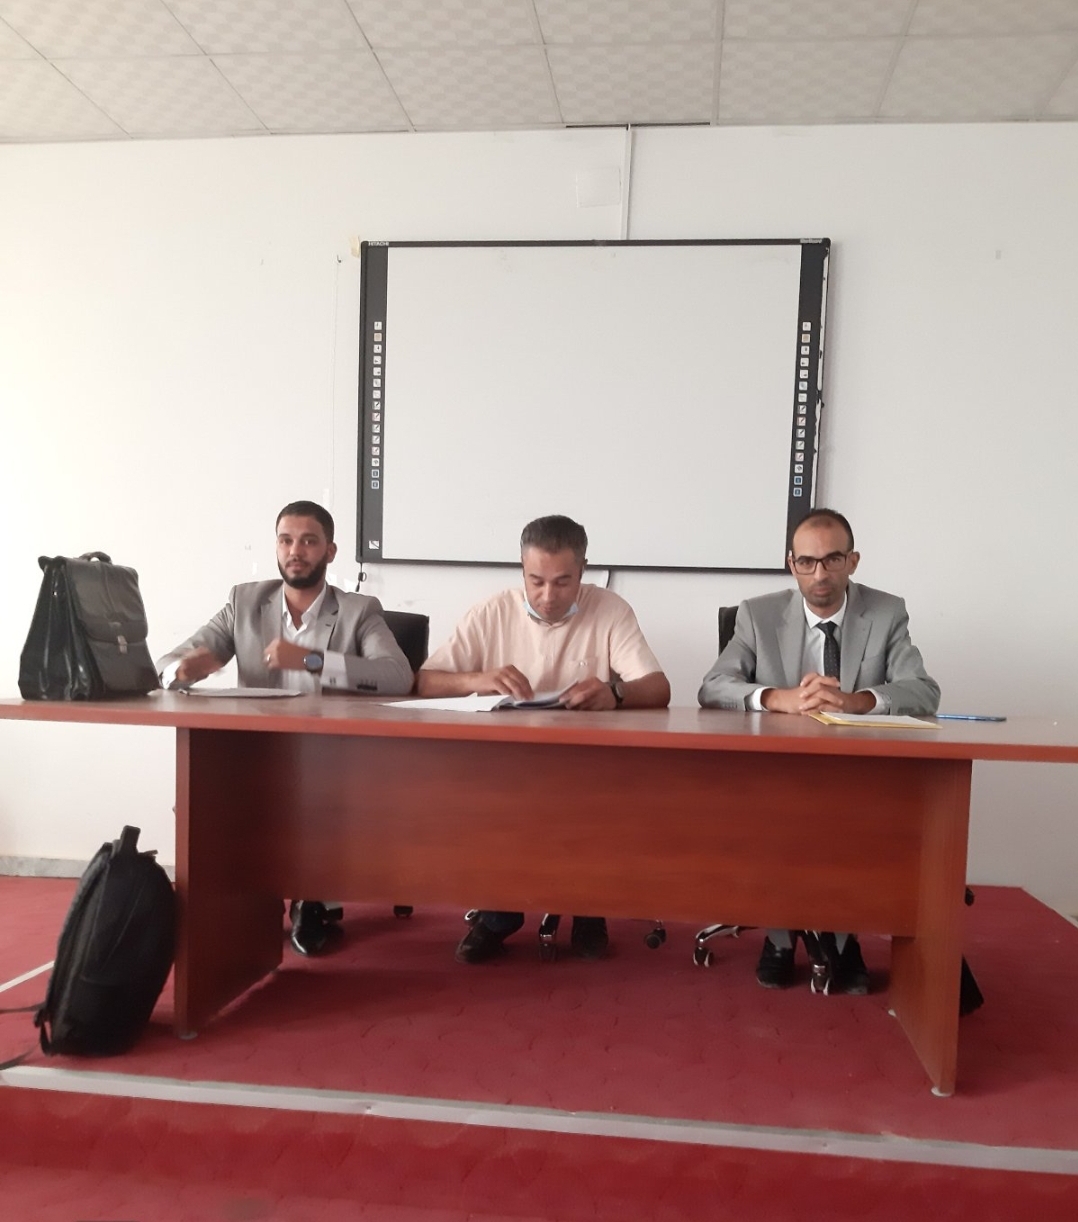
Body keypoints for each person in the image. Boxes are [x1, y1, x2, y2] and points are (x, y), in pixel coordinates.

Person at [698, 508, 940, 993]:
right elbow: (713, 686)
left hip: (856, 772)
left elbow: (923, 691)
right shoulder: (758, 614)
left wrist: (857, 701)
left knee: (852, 821)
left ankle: (843, 939)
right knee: (776, 816)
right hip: (775, 770)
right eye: (807, 562)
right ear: (792, 564)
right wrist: (777, 698)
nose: (820, 574)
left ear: (853, 561)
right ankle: (780, 939)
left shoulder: (886, 612)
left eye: (832, 560)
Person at [156, 500, 414, 954]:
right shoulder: (244, 602)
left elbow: (398, 676)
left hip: (333, 753)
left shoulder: (358, 610)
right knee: (201, 794)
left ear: (330, 551)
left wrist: (312, 660)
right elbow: (170, 662)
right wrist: (183, 669)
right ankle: (241, 901)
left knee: (312, 795)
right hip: (258, 750)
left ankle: (310, 899)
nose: (296, 550)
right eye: (286, 540)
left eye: (309, 541)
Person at [416, 514, 671, 963]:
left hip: (585, 763)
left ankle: (588, 910)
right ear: (521, 569)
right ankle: (500, 914)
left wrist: (615, 693)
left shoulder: (610, 610)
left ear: (583, 570)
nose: (548, 596)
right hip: (504, 762)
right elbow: (426, 681)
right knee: (483, 799)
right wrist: (478, 678)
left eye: (562, 582)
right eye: (535, 581)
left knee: (592, 800)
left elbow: (658, 687)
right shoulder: (491, 612)